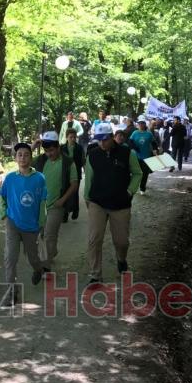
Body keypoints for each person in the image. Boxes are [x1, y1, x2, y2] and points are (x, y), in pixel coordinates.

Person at [84, 123, 142, 283]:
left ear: (112, 137)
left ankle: (121, 259)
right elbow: (89, 178)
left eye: (104, 140)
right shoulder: (93, 155)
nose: (101, 143)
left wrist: (130, 191)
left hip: (120, 204)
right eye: (99, 140)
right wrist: (87, 198)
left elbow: (137, 173)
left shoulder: (127, 153)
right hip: (98, 202)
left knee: (122, 241)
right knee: (94, 239)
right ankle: (95, 275)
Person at [0, 142, 48, 307]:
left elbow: (42, 203)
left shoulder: (39, 179)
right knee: (10, 258)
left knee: (33, 258)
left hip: (32, 226)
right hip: (13, 222)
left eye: (26, 154)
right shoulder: (10, 178)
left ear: (31, 157)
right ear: (15, 158)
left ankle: (38, 269)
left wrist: (41, 223)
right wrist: (4, 214)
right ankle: (11, 293)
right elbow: (2, 198)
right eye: (19, 154)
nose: (23, 157)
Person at [34, 131, 78, 271]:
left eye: (52, 150)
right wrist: (33, 146)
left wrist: (62, 200)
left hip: (56, 205)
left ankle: (45, 267)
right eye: (46, 150)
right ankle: (51, 252)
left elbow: (74, 183)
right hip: (40, 205)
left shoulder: (68, 162)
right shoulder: (40, 160)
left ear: (58, 147)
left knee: (49, 235)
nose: (49, 153)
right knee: (40, 234)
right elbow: (22, 160)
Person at [61, 128, 85, 220]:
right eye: (71, 137)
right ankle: (65, 213)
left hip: (77, 173)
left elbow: (83, 161)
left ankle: (75, 210)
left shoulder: (79, 148)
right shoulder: (62, 148)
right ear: (67, 137)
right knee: (64, 192)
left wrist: (85, 171)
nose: (73, 139)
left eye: (75, 137)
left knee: (74, 193)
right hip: (65, 174)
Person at [128, 119, 158, 194]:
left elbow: (154, 143)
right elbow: (130, 142)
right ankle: (133, 187)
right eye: (139, 123)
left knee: (145, 173)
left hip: (146, 157)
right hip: (136, 157)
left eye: (142, 123)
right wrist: (134, 148)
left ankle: (142, 187)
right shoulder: (135, 133)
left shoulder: (149, 134)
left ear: (145, 124)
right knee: (136, 173)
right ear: (138, 124)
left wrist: (155, 150)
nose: (140, 125)